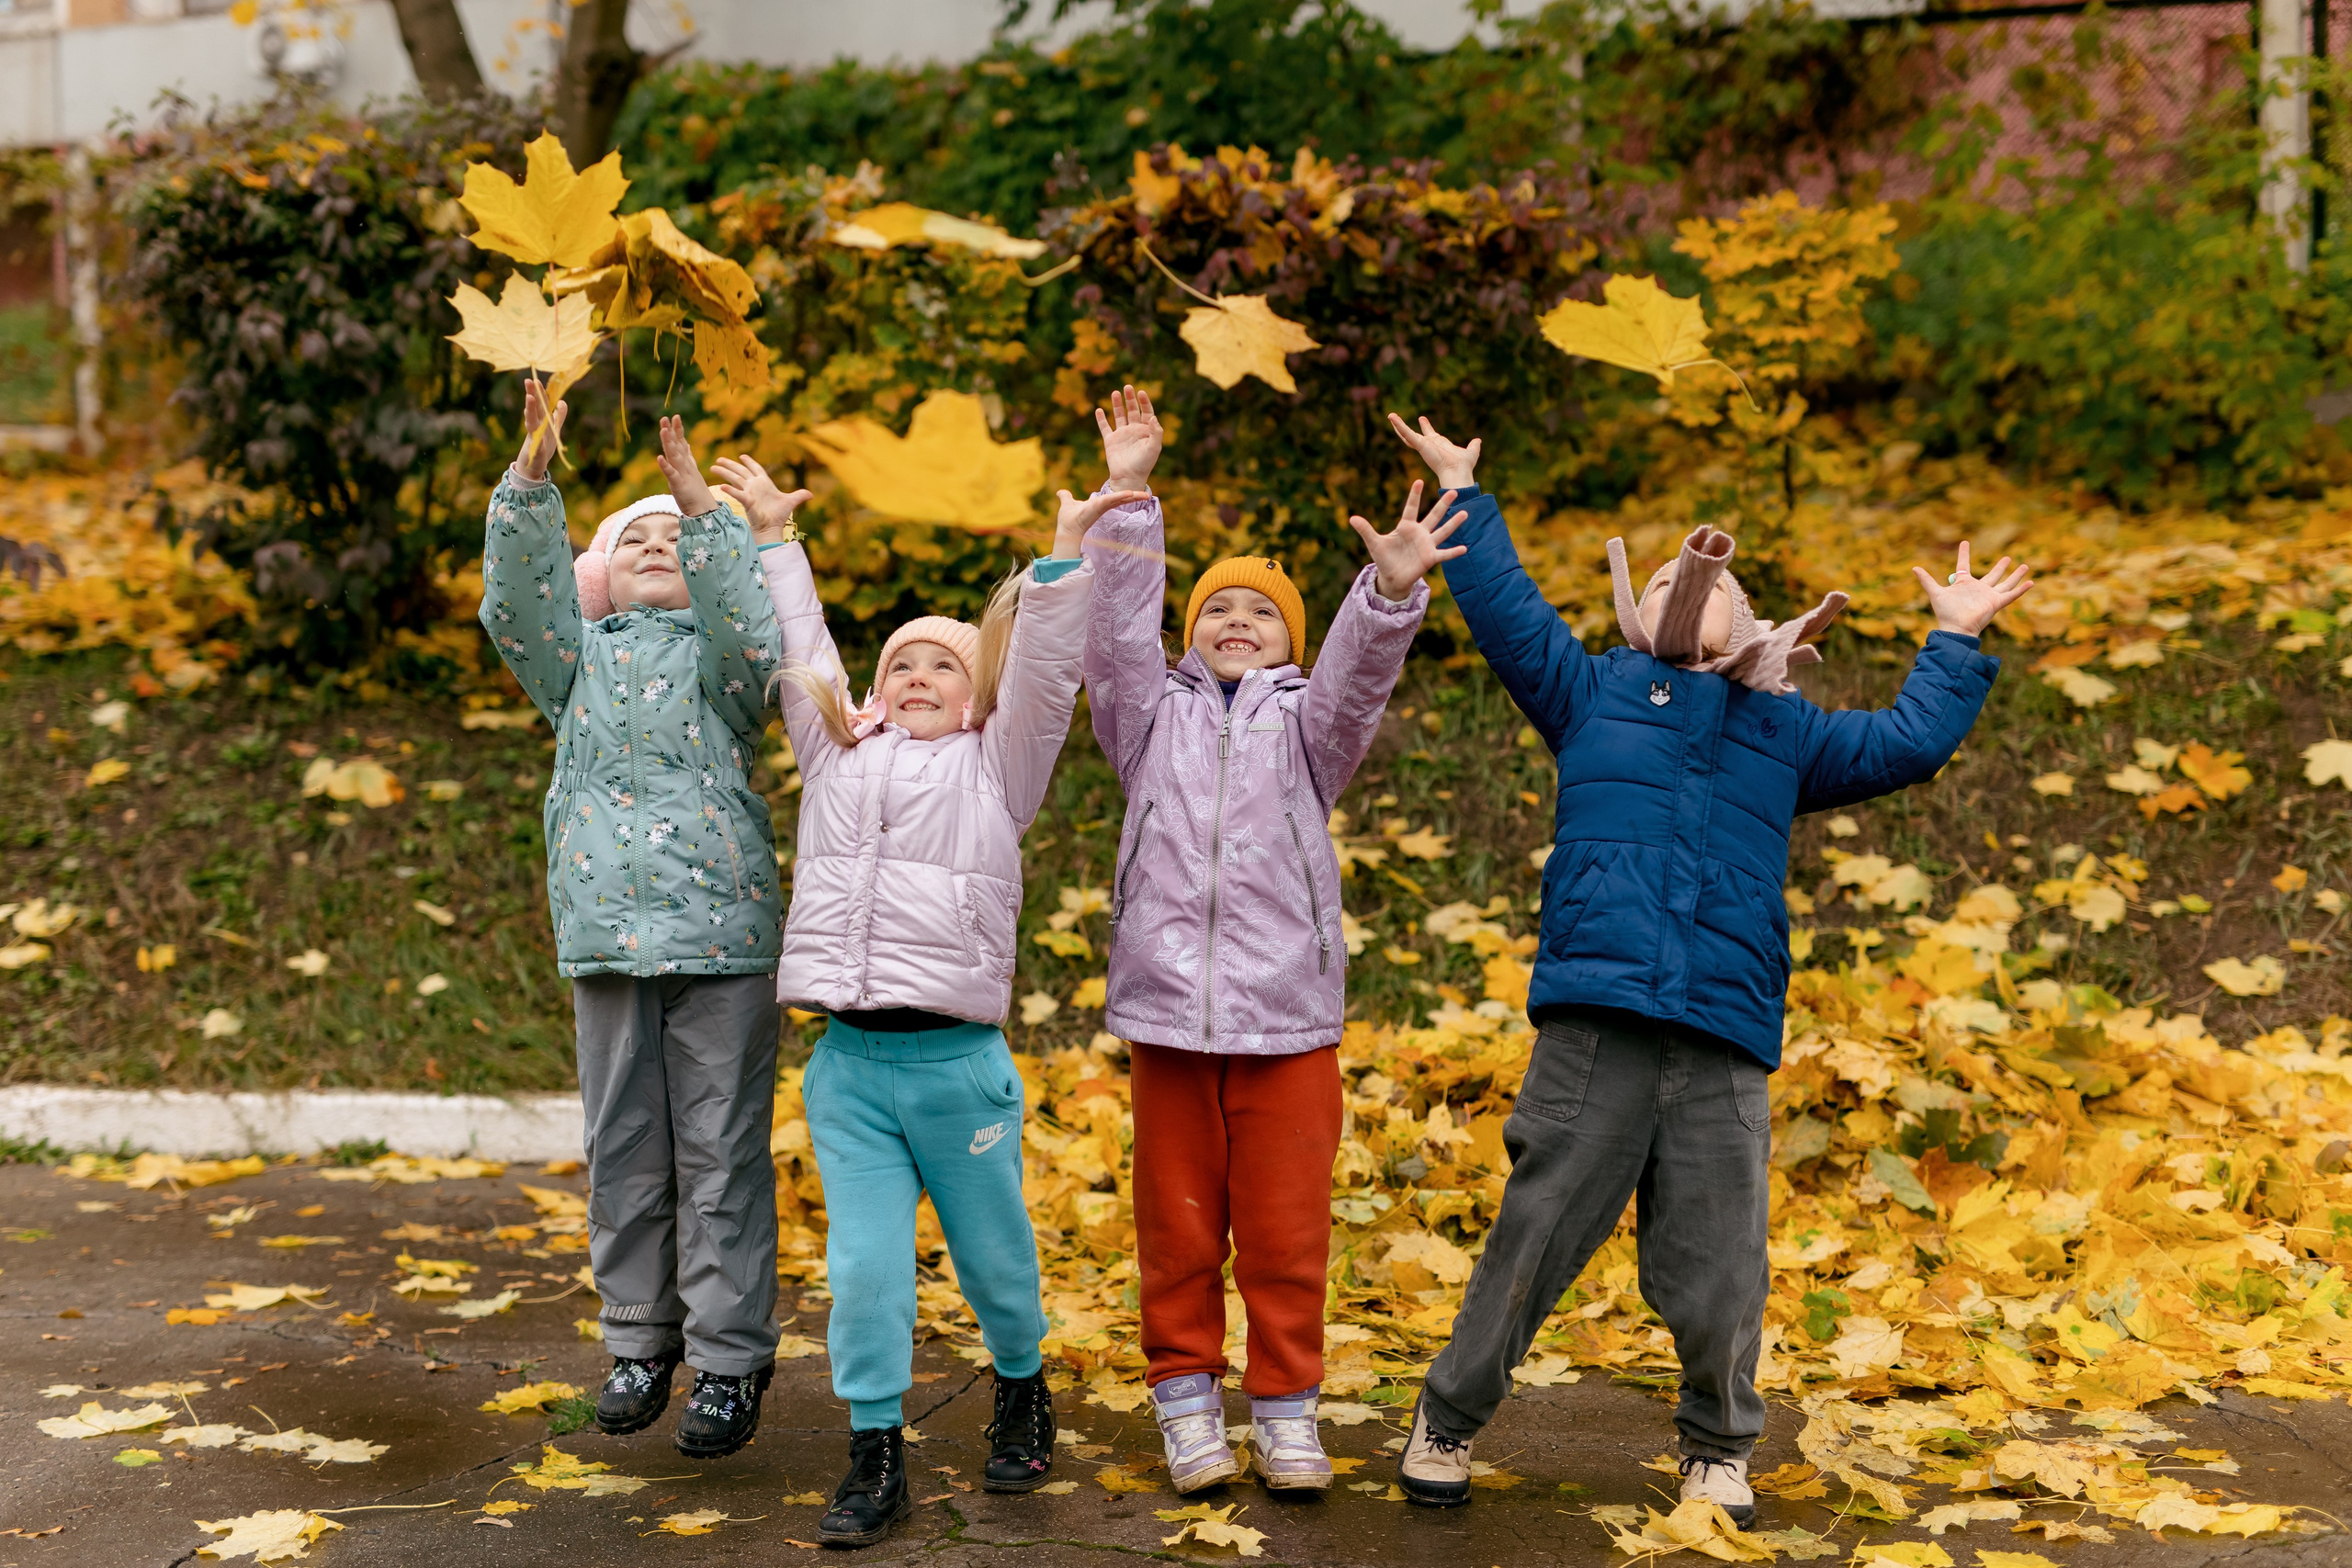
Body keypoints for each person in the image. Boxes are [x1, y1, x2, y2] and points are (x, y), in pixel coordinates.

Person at [1382, 413, 2032, 1521]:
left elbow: (1905, 744)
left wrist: (1955, 639)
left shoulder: (1784, 735)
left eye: (1725, 588)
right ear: (1646, 617)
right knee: (1533, 1236)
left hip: (1722, 1034)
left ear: (1757, 626)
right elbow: (1508, 615)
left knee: (1720, 1262)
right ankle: (1447, 1417)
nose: (1705, 588)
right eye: (1686, 581)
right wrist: (1464, 493)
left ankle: (1717, 1447)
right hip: (1599, 1022)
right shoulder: (1591, 693)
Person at [734, 437, 1147, 1548]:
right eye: (901, 665)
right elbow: (801, 642)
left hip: (957, 1071)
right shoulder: (834, 756)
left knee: (998, 1260)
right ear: (871, 692)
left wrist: (1065, 556)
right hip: (850, 1069)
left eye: (944, 667)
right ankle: (876, 1453)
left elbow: (1049, 675)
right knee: (864, 1272)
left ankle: (1021, 1384)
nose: (918, 678)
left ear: (978, 699)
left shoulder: (997, 769)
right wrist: (776, 538)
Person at [1080, 386, 1464, 1494]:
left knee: (1288, 1241)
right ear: (1187, 633)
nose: (1236, 623)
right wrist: (1130, 495)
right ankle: (1185, 1399)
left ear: (1289, 640)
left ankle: (1286, 1409)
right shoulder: (1146, 719)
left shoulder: (1309, 729)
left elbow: (1357, 677)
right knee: (1179, 1232)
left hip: (1287, 1020)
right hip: (1168, 1017)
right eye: (1216, 612)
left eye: (1260, 614)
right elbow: (1112, 640)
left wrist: (1388, 589)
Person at [477, 380, 789, 1460]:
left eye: (675, 538)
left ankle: (732, 1359)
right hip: (609, 943)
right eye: (637, 536)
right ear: (600, 574)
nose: (659, 543)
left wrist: (704, 508)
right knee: (623, 1147)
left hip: (725, 942)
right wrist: (531, 478)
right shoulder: (576, 668)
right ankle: (639, 1339)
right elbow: (518, 604)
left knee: (720, 1150)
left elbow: (755, 628)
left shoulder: (725, 669)